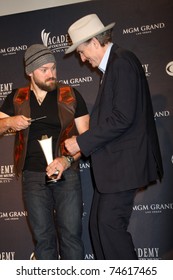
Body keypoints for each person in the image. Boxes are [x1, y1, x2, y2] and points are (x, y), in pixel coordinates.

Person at [64, 14, 163, 260]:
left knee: (108, 227)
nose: (83, 59)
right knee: (98, 228)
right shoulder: (114, 67)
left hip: (123, 166)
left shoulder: (122, 62)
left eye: (82, 52)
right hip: (114, 168)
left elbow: (122, 117)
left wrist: (81, 141)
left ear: (95, 43)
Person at [0, 44, 90, 260]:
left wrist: (66, 161)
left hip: (66, 173)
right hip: (32, 176)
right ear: (30, 72)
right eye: (45, 70)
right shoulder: (16, 98)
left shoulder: (70, 94)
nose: (52, 74)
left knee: (71, 237)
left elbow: (87, 139)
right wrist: (10, 121)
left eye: (54, 68)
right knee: (43, 239)